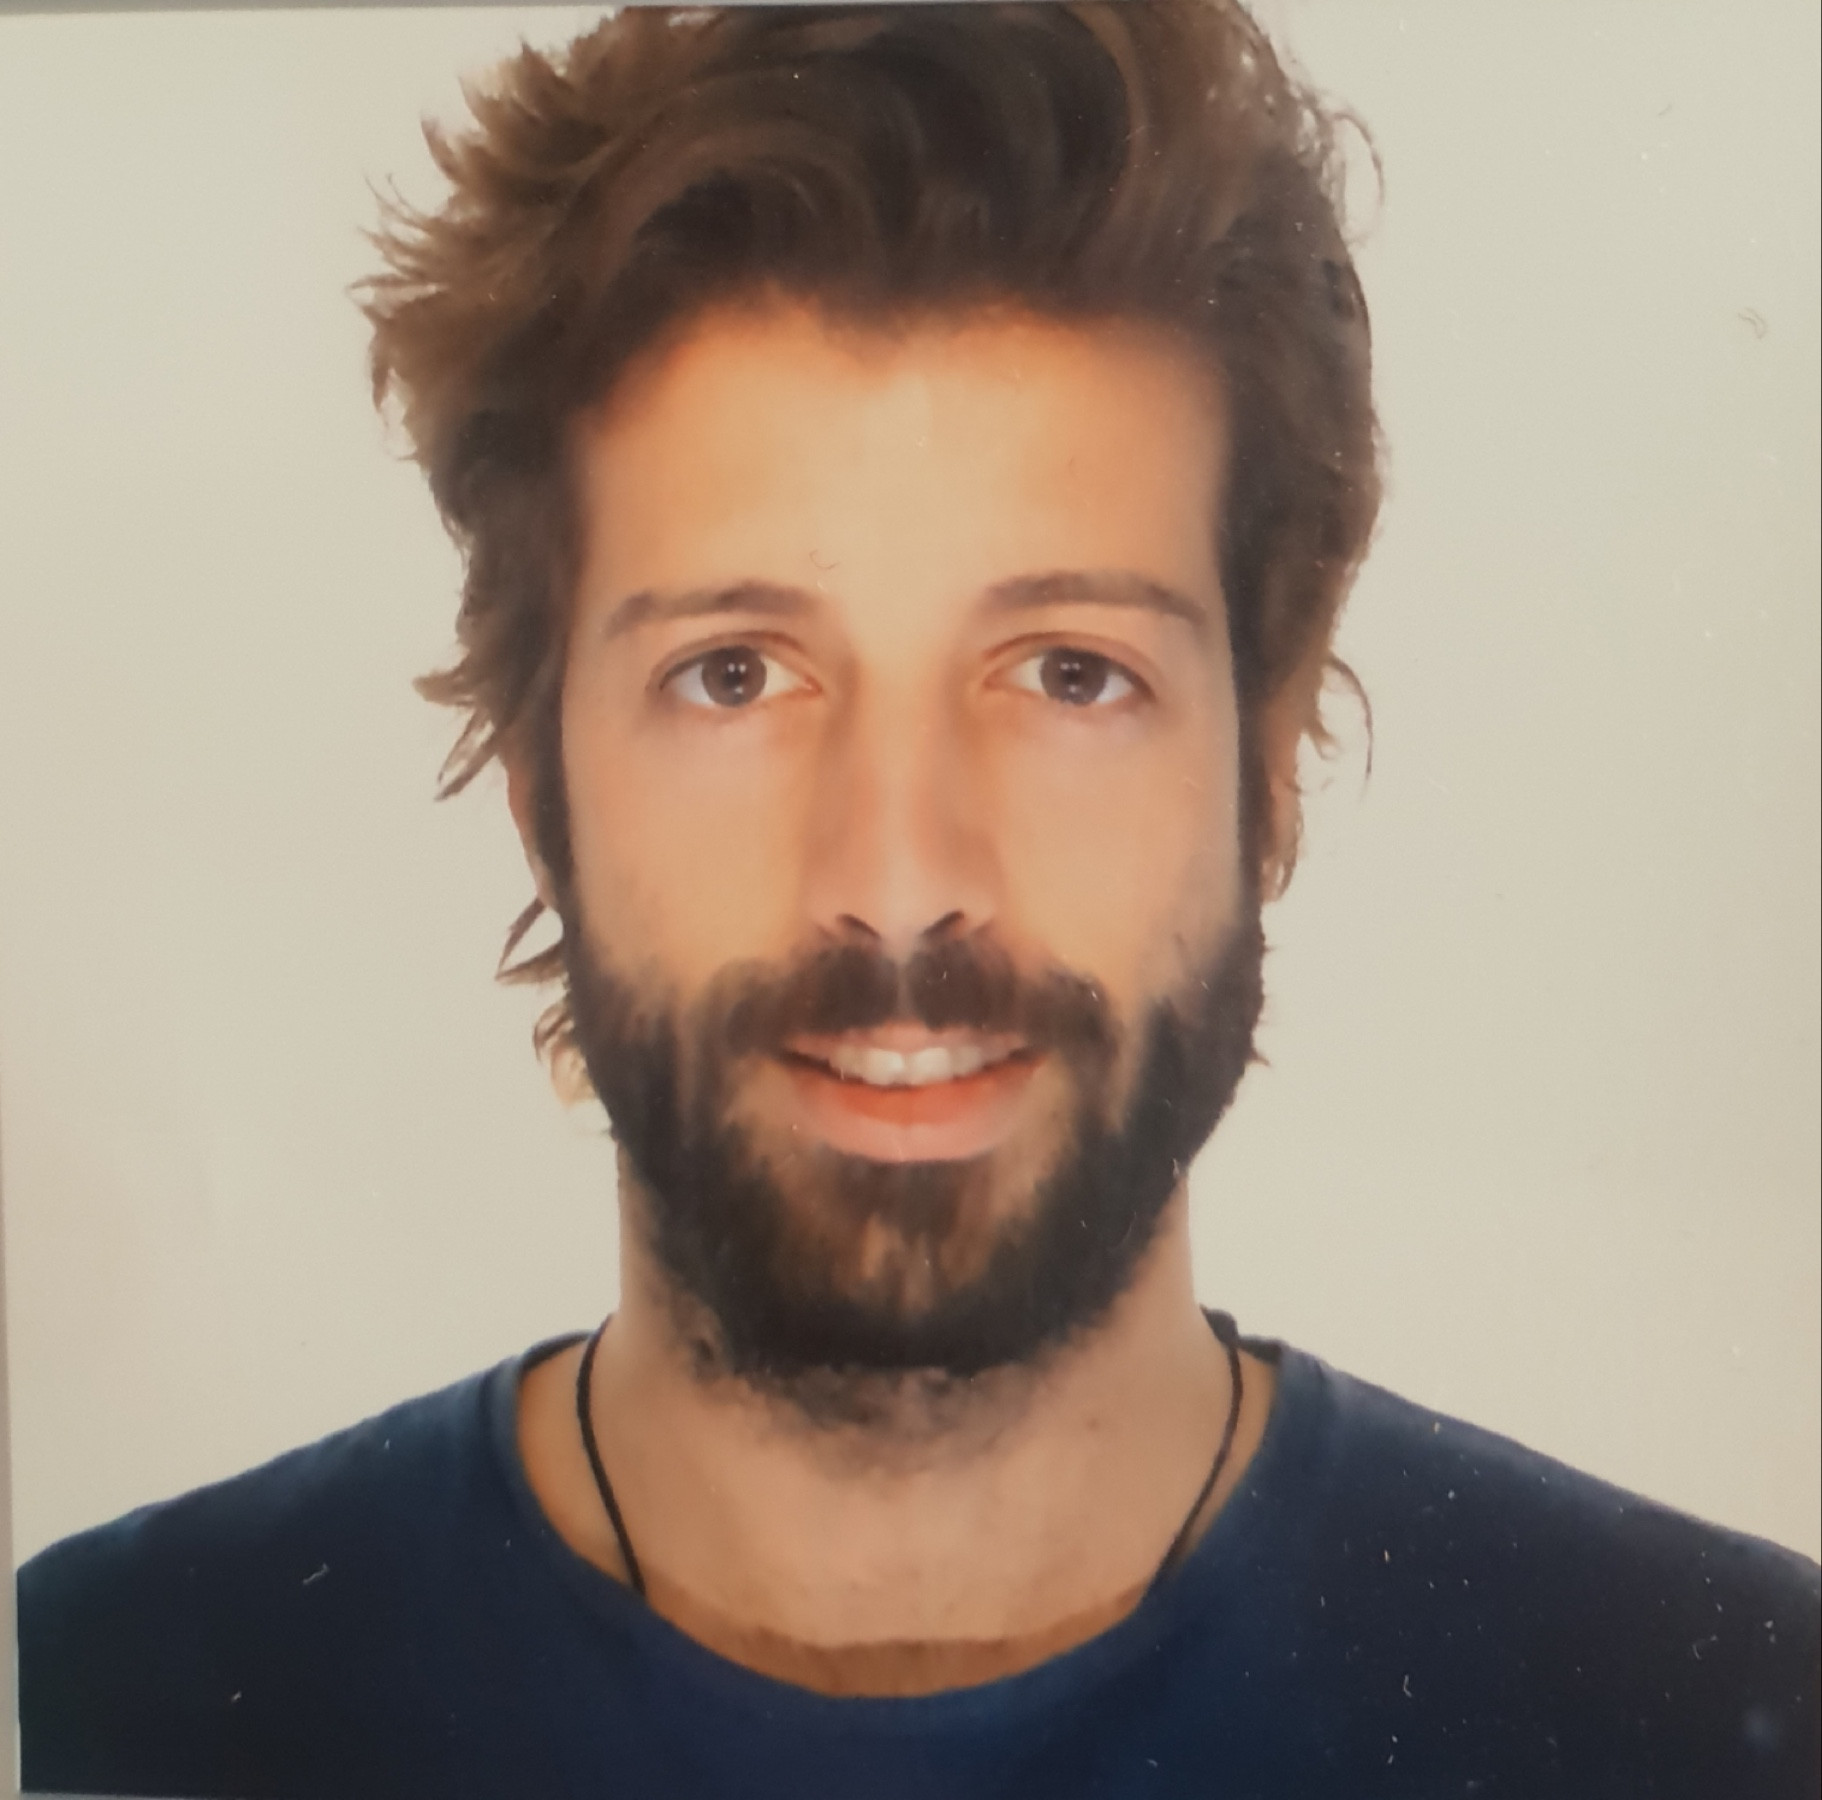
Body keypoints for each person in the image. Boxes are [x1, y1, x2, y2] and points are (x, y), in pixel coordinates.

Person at [17, 4, 1818, 1795]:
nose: (895, 884)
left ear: (1267, 767)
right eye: (734, 675)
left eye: (1068, 673)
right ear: (534, 787)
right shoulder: (97, 1711)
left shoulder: (1722, 1721)